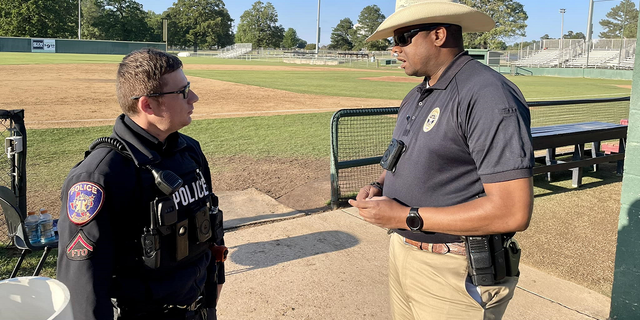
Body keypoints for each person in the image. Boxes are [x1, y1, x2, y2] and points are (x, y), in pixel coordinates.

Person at [348, 1, 534, 319]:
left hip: (454, 269)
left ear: (438, 34)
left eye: (404, 36)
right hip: (404, 251)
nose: (395, 48)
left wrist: (407, 217)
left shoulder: (486, 93)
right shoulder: (418, 93)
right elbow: (399, 158)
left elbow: (512, 211)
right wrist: (377, 186)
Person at [57, 48, 225, 320]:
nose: (194, 98)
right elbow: (83, 282)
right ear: (148, 105)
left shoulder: (189, 151)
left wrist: (215, 282)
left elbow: (211, 224)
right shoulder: (99, 177)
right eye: (183, 92)